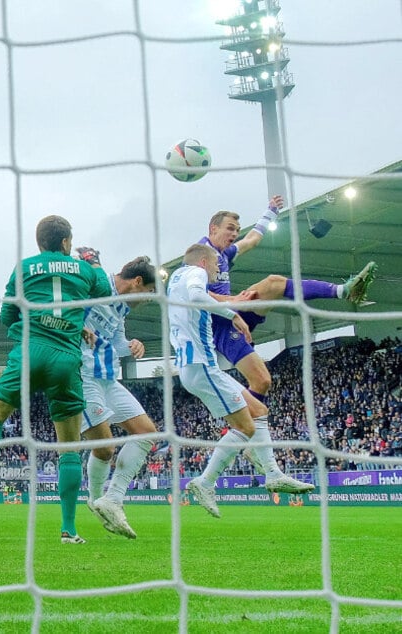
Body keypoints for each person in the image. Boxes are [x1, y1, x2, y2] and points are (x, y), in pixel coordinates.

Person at [200, 196, 375, 493]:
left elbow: (253, 239)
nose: (234, 234)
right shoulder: (200, 257)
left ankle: (343, 290)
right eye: (229, 228)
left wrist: (271, 211)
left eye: (236, 229)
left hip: (235, 314)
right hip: (220, 325)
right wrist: (233, 302)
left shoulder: (225, 253)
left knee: (274, 285)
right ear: (212, 228)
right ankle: (249, 440)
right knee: (263, 378)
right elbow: (197, 296)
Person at [0, 215, 112, 544]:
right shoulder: (83, 269)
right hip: (65, 359)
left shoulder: (24, 268)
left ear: (39, 243)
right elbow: (103, 292)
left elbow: (6, 315)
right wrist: (94, 263)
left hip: (29, 352)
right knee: (68, 449)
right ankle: (68, 529)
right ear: (65, 242)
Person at [168, 244, 262, 518]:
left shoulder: (175, 278)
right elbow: (198, 296)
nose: (216, 271)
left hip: (192, 365)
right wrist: (233, 315)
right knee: (246, 426)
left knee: (255, 411)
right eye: (215, 266)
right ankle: (205, 482)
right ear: (202, 262)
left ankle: (255, 456)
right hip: (202, 365)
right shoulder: (196, 273)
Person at [73, 249, 161, 539]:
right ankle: (97, 499)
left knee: (147, 433)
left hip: (108, 378)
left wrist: (132, 346)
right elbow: (65, 303)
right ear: (136, 281)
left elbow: (117, 343)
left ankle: (111, 500)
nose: (147, 299)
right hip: (83, 375)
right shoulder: (98, 287)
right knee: (105, 448)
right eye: (148, 292)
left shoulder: (121, 308)